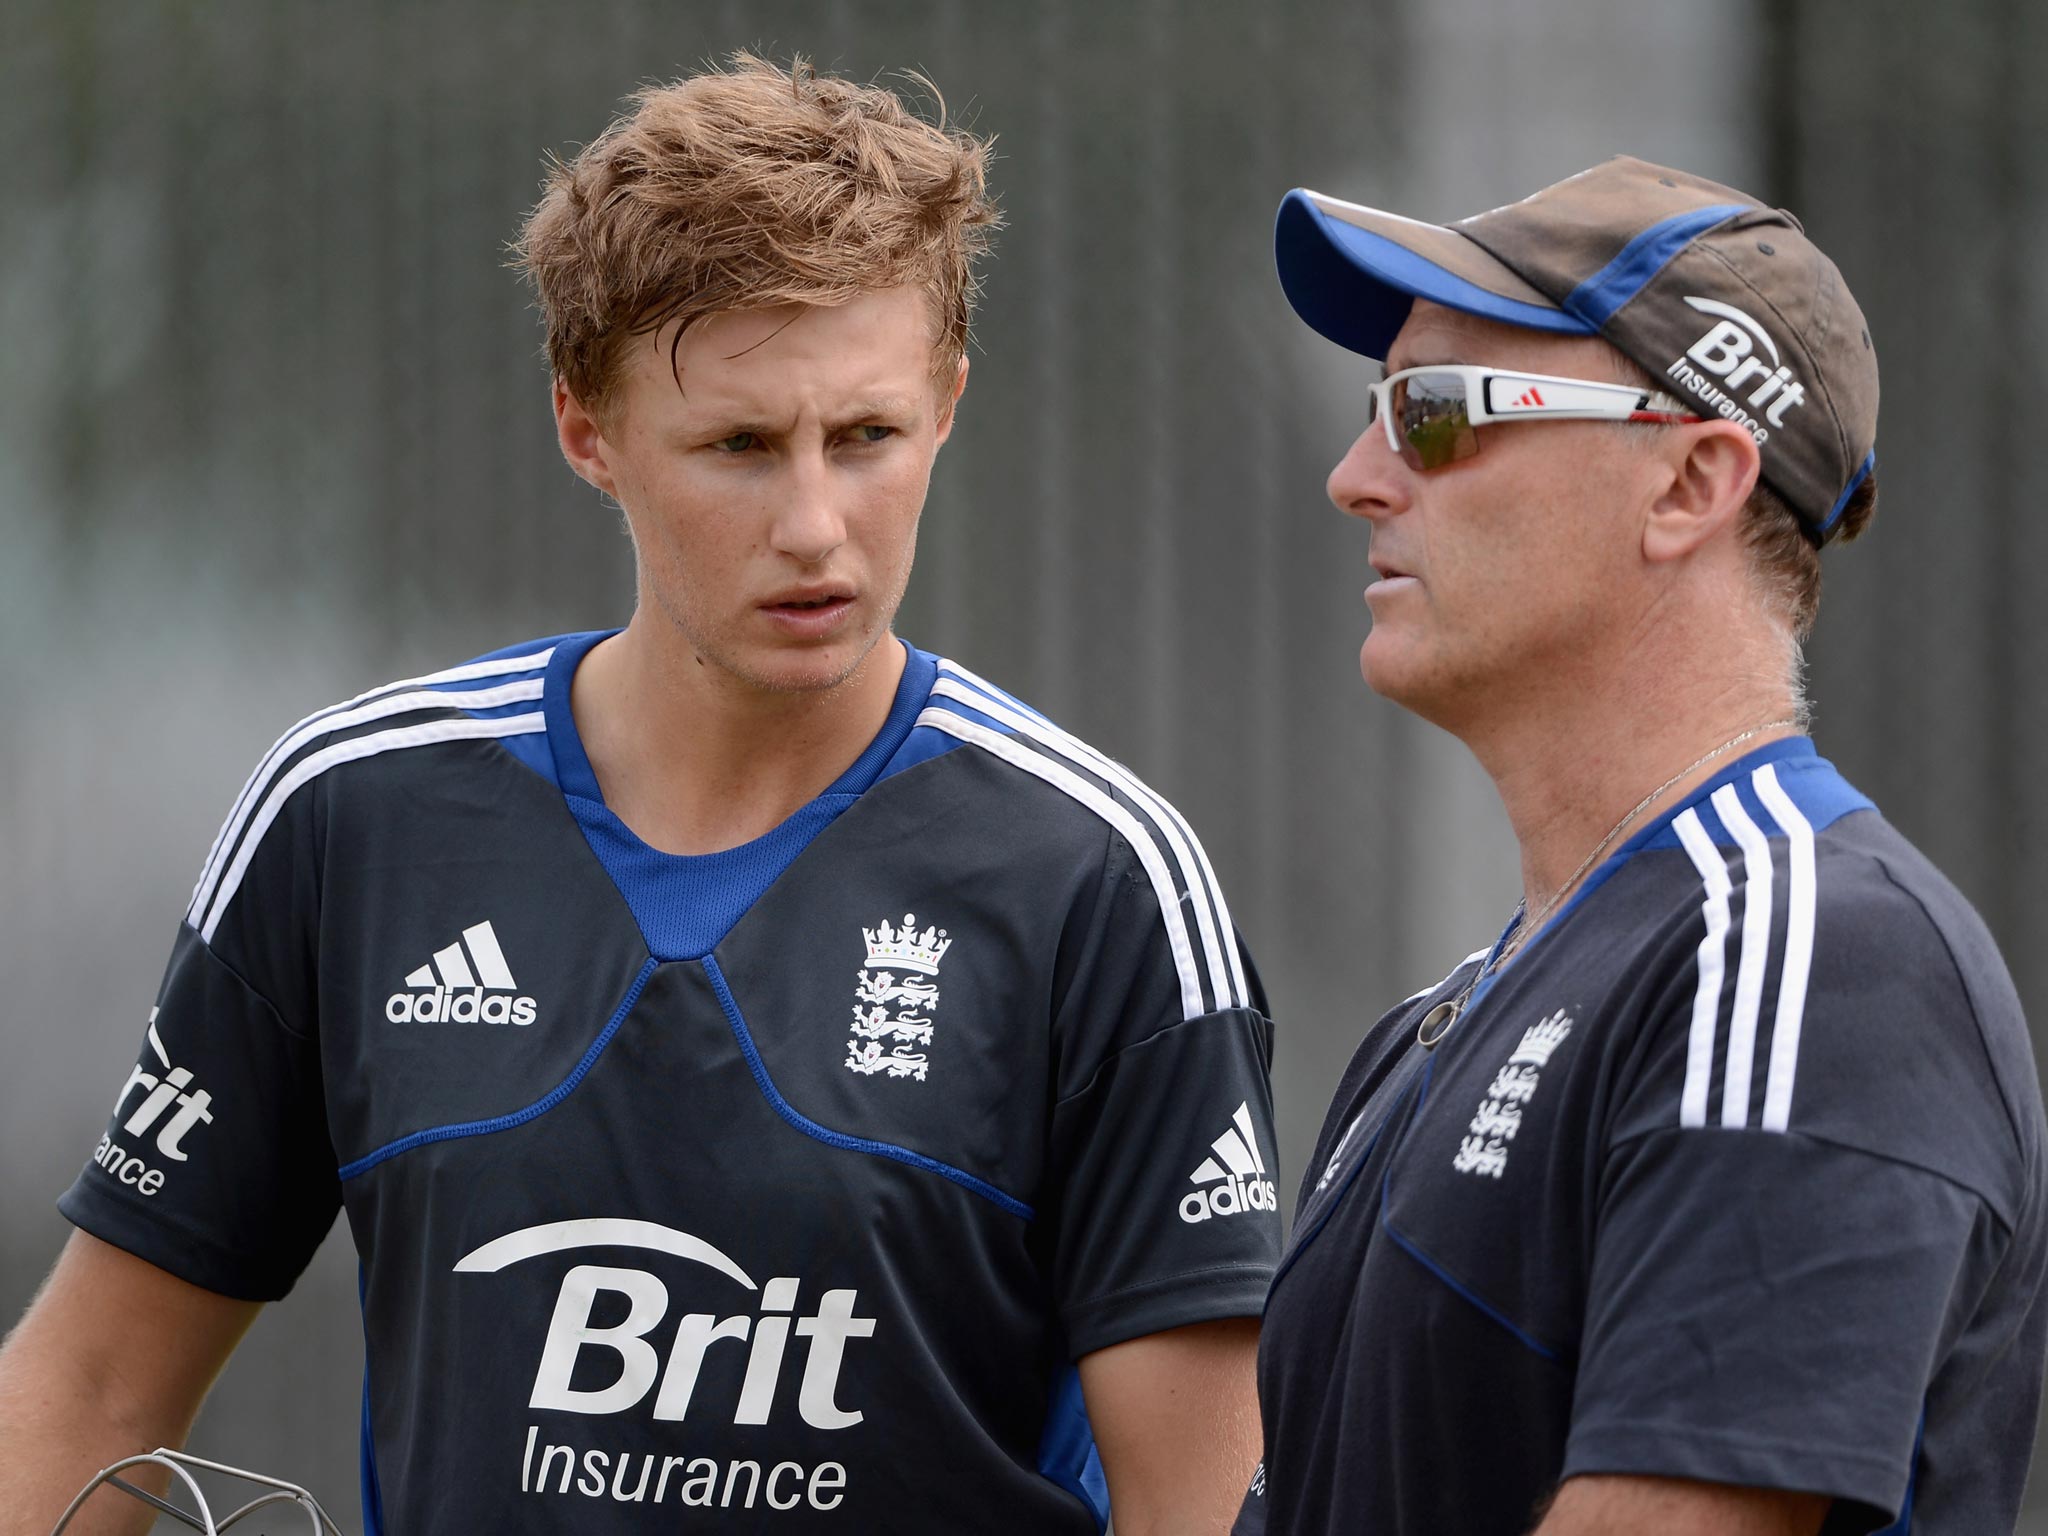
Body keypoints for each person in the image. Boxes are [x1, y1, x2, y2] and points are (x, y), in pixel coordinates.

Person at [0, 56, 1280, 1535]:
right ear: (585, 431)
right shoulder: (352, 817)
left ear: (947, 405)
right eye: (739, 446)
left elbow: (1199, 1497)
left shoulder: (1099, 879)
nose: (815, 525)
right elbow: (91, 1391)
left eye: (864, 437)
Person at [1239, 157, 2047, 1535]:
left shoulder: (1812, 956)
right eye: (1378, 411)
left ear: (1688, 483)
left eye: (1433, 412)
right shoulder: (1438, 1023)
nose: (1356, 476)